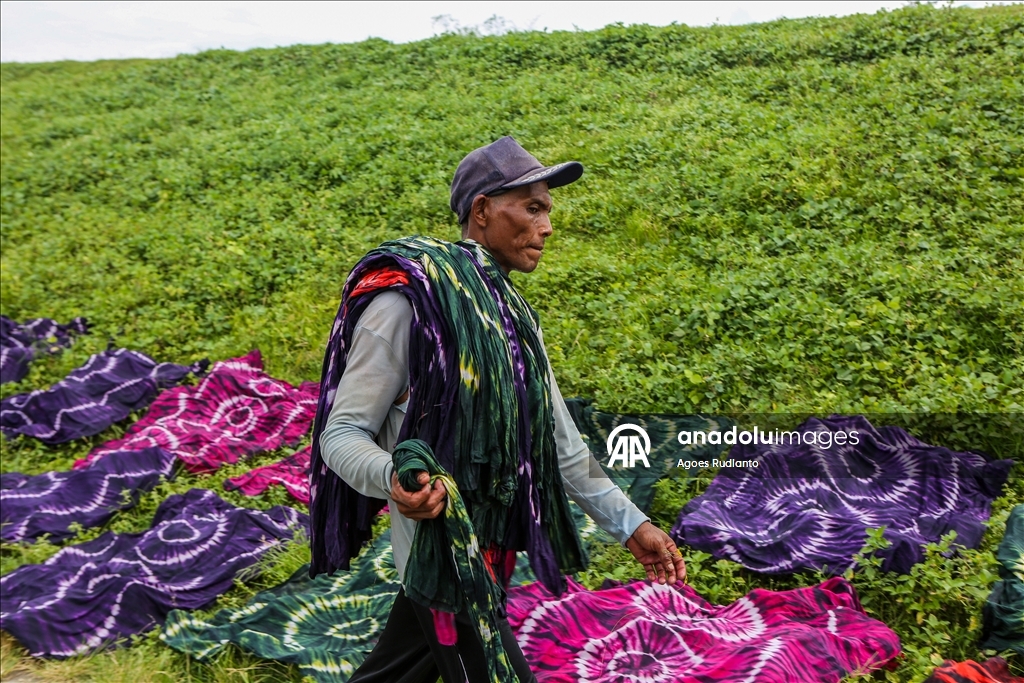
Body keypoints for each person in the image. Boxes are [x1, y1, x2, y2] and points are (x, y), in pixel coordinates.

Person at [309, 136, 685, 683]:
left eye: (548, 211)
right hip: (444, 556)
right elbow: (341, 433)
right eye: (532, 208)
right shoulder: (409, 306)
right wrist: (393, 477)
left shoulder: (510, 316)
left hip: (490, 544)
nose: (548, 226)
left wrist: (631, 525)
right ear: (482, 211)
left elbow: (558, 441)